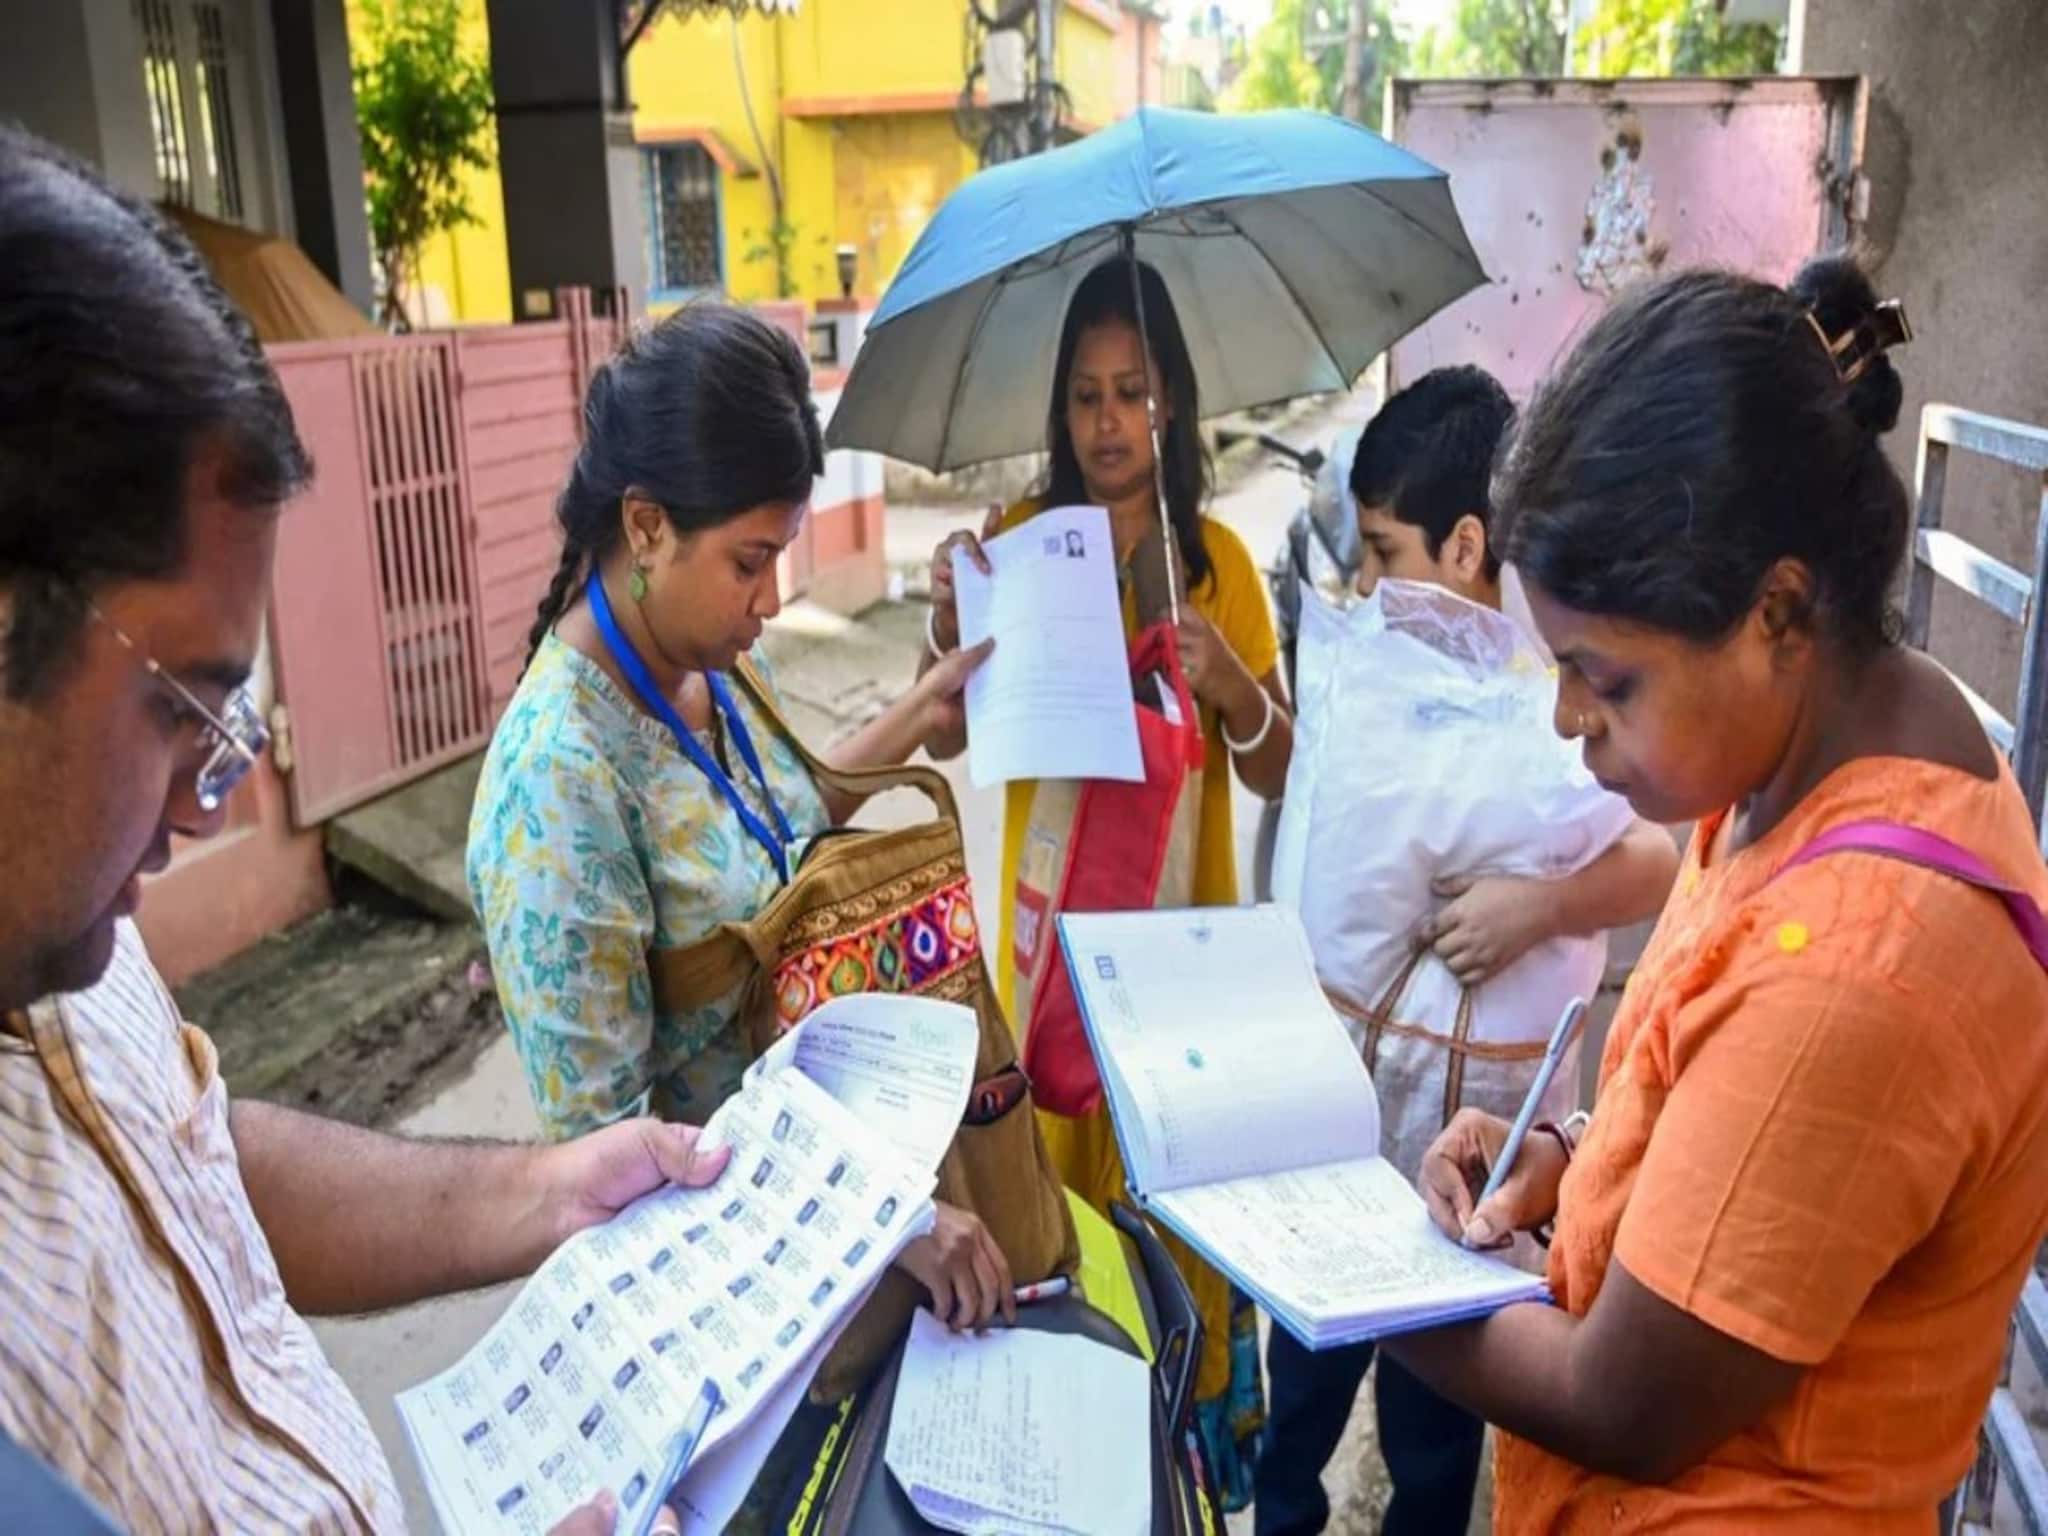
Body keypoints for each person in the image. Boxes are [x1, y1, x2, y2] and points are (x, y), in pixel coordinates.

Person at [0, 124, 718, 1536]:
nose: (205, 812)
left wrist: (551, 1189)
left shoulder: (64, 936)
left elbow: (188, 1155)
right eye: (177, 715)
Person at [1379, 260, 2048, 1531]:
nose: (1566, 718)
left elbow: (1622, 1399)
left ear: (1777, 611)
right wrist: (1565, 1167)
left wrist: (1355, 1280)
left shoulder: (1863, 965)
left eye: (1603, 680)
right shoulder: (1789, 768)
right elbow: (1737, 1134)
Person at [465, 303, 1018, 1336]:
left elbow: (775, 816)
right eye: (748, 562)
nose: (769, 599)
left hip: (839, 1221)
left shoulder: (704, 666)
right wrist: (880, 1222)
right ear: (644, 526)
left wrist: (914, 712)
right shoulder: (557, 788)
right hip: (730, 1309)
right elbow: (611, 1165)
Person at [1253, 366, 1679, 1536]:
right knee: (1297, 1408)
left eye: (1385, 554)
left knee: (1434, 1446)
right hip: (1338, 1131)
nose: (1369, 585)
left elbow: (1657, 860)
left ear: (1464, 544)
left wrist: (1533, 909)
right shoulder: (1365, 679)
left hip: (1481, 1150)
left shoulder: (1557, 684)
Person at [923, 257, 1292, 1506]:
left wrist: (1230, 683)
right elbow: (952, 738)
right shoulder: (1024, 547)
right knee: (1056, 1234)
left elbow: (1281, 757)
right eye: (1083, 397)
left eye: (1130, 393)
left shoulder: (1221, 565)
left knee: (1166, 1224)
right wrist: (947, 625)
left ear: (1172, 404)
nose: (1104, 424)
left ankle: (1169, 1487)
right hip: (1044, 977)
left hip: (1179, 978)